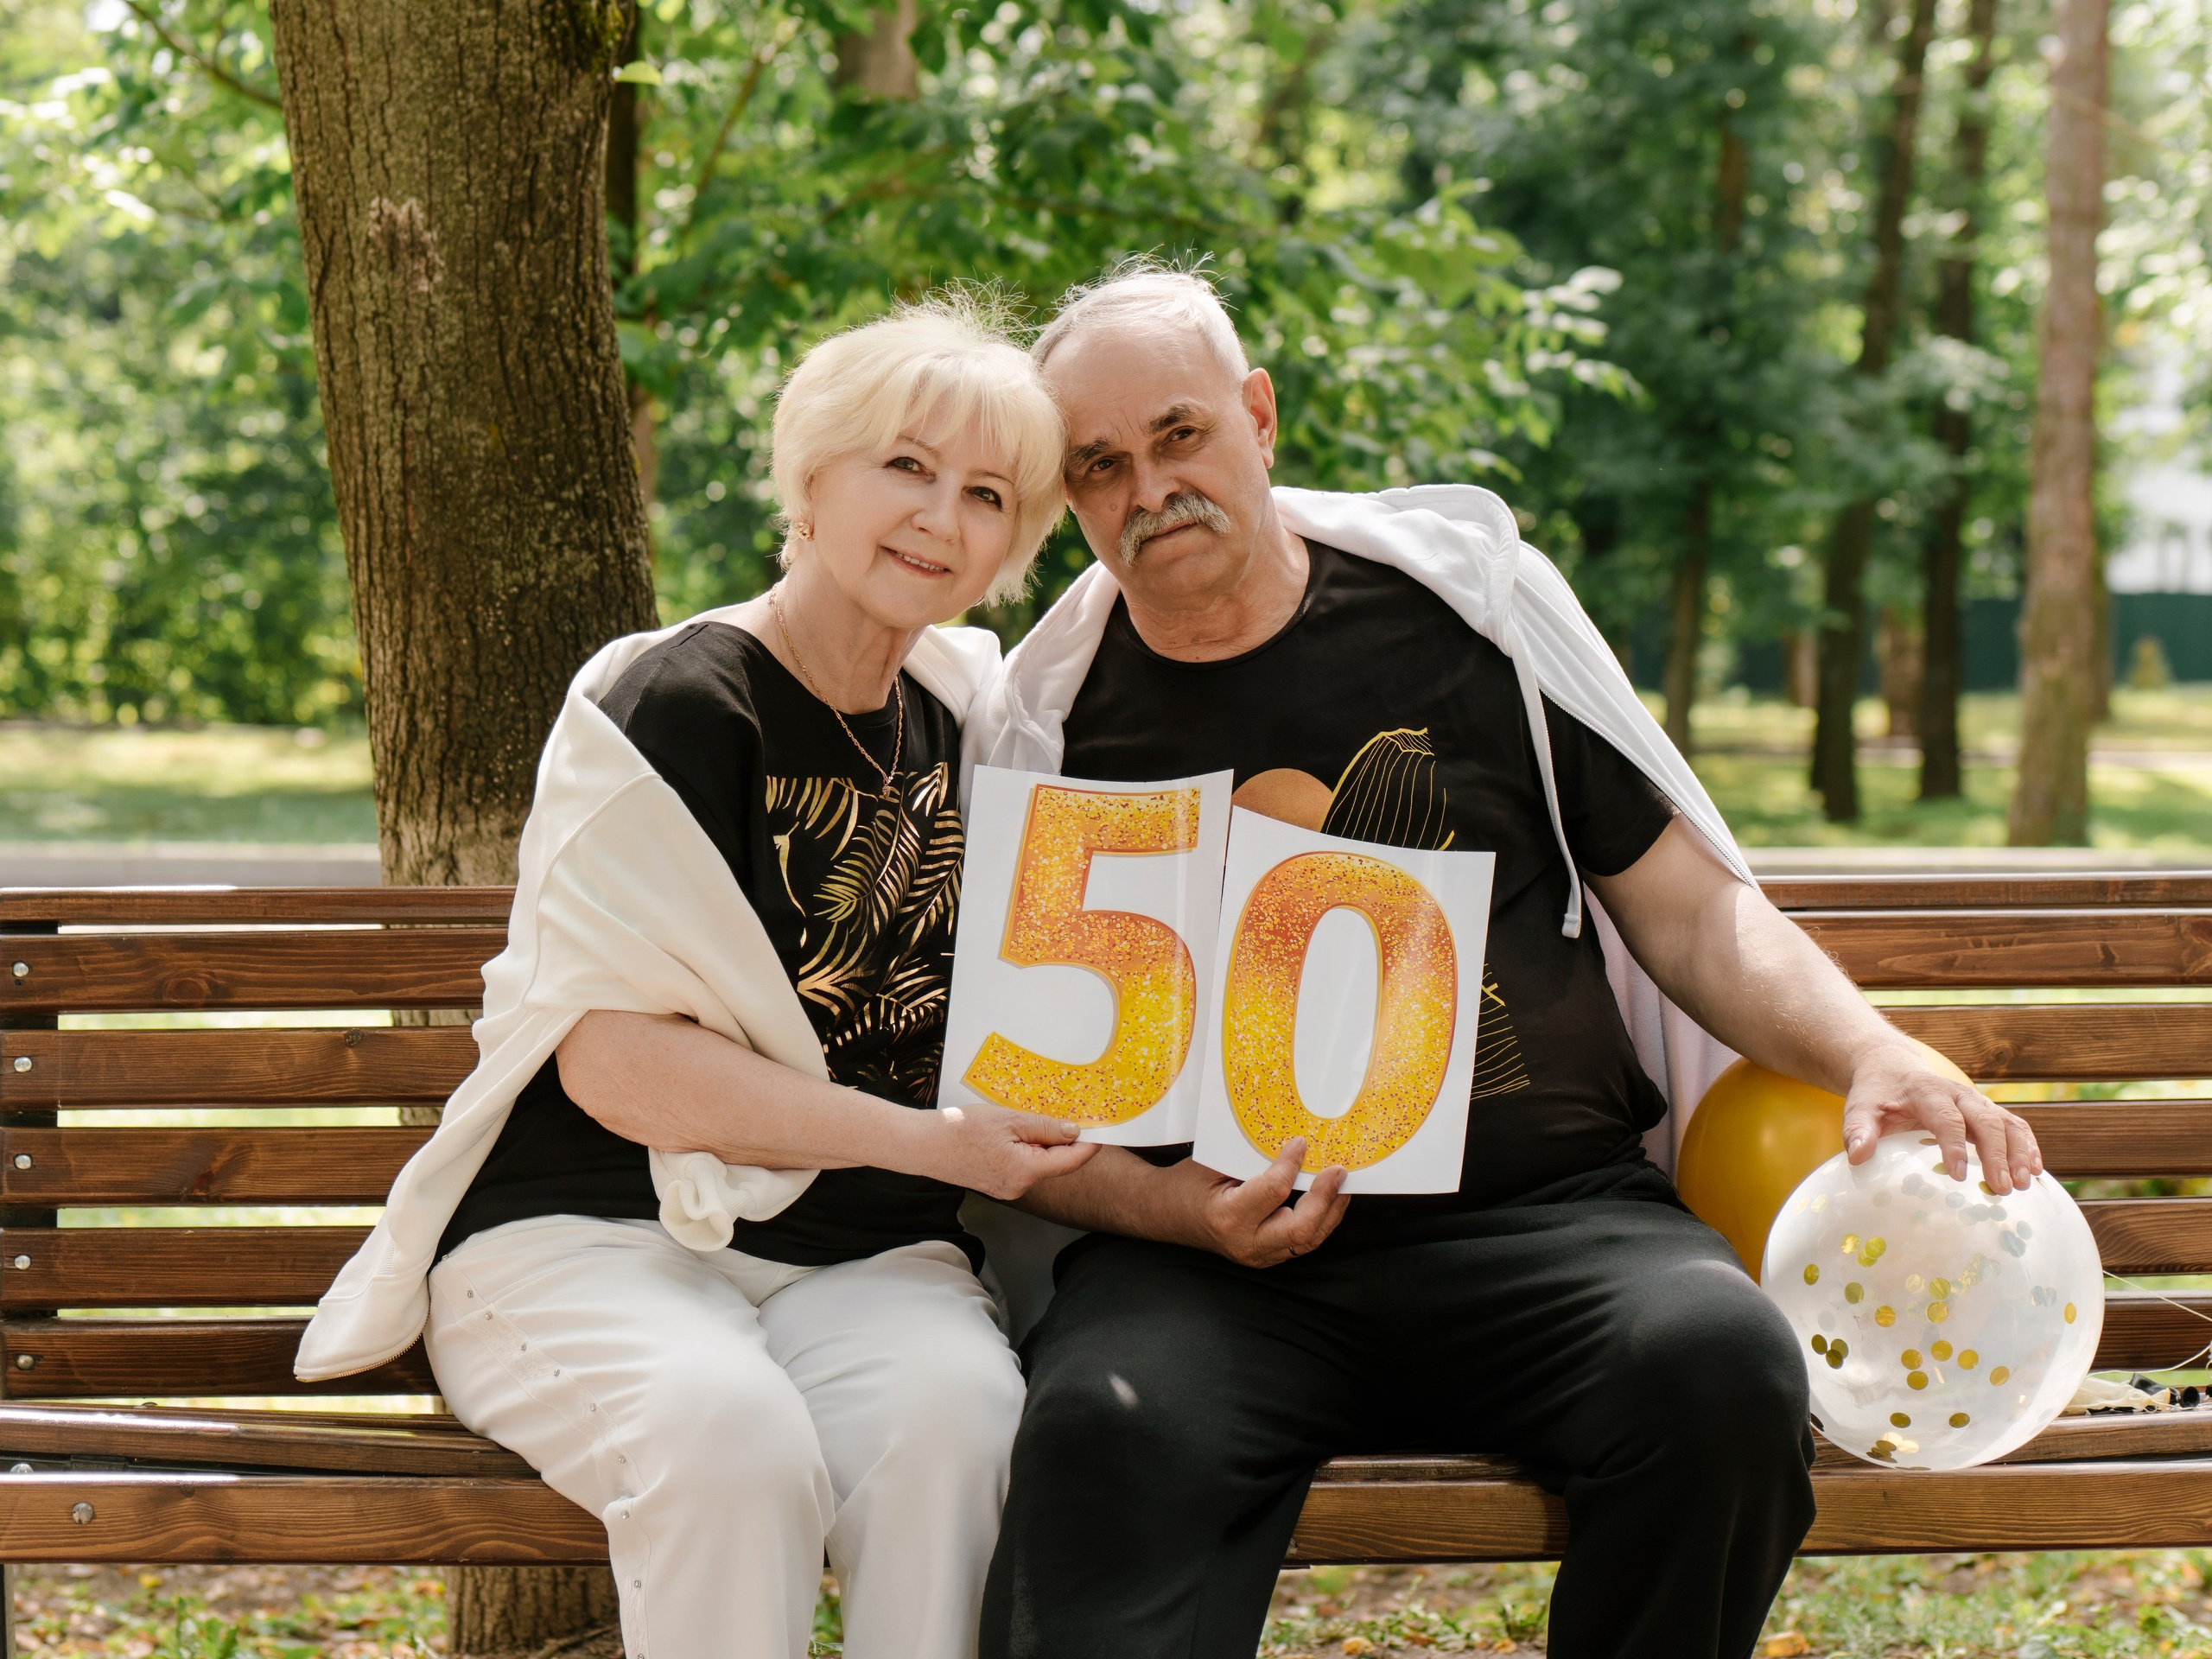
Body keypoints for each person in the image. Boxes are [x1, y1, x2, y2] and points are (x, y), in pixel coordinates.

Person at [968, 264, 2046, 1659]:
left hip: (1543, 1227)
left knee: (1716, 1367)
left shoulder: (1465, 614)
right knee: (1095, 1435)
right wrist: (1179, 1218)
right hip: (1212, 1271)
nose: (1149, 487)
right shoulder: (1047, 724)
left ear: (1259, 417)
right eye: (1100, 466)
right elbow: (1035, 1095)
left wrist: (1871, 1048)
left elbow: (1690, 911)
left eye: (1180, 436)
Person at [294, 296, 1094, 1659]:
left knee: (959, 1428)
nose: (938, 518)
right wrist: (928, 1141)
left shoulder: (977, 721)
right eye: (905, 466)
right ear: (811, 472)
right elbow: (616, 1067)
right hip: (588, 1236)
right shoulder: (677, 701)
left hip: (859, 1257)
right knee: (730, 1443)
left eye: (987, 495)